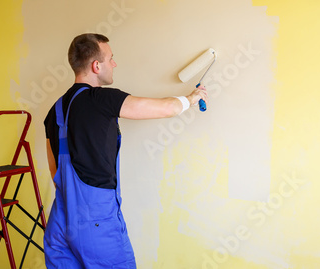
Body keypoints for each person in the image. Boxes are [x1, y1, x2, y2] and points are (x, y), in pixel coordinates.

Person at [43, 33, 207, 268]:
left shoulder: (55, 109)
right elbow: (165, 108)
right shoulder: (101, 99)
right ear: (96, 65)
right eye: (110, 58)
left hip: (60, 220)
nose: (114, 64)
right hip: (96, 223)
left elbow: (54, 169)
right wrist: (192, 98)